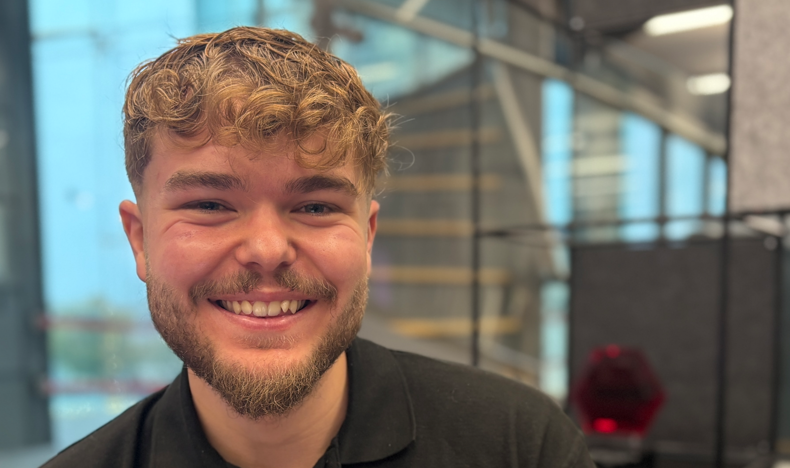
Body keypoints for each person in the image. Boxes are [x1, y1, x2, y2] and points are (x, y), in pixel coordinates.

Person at [42, 26, 594, 468]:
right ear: (139, 240)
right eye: (210, 205)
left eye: (315, 207)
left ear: (368, 236)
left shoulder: (520, 445)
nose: (265, 249)